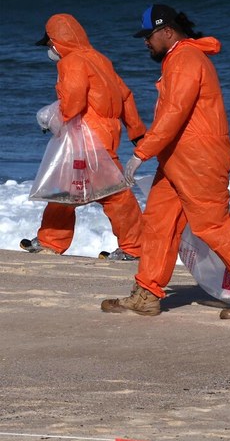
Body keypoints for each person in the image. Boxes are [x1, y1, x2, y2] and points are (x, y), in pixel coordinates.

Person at [100, 4, 230, 319]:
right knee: (159, 223)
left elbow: (175, 114)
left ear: (166, 31)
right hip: (177, 160)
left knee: (213, 226)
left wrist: (139, 155)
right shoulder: (179, 58)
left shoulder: (185, 59)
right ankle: (147, 293)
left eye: (148, 35)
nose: (145, 42)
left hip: (199, 160)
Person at [23, 14, 147, 260]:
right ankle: (52, 241)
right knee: (75, 189)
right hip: (107, 135)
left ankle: (135, 248)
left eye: (50, 45)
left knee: (106, 193)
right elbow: (125, 95)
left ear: (58, 42)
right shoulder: (100, 59)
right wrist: (137, 131)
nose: (50, 50)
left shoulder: (71, 62)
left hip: (87, 138)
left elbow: (73, 103)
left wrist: (52, 118)